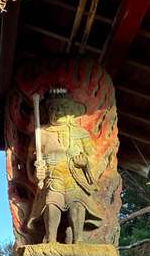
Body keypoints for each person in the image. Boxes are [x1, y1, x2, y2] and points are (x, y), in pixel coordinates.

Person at [26, 90, 103, 244]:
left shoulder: (80, 133)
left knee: (77, 203)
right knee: (51, 204)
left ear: (69, 111)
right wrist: (37, 173)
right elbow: (31, 160)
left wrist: (85, 163)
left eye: (61, 107)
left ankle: (78, 239)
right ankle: (51, 239)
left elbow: (93, 157)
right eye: (53, 108)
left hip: (75, 177)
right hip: (53, 177)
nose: (57, 111)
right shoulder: (41, 134)